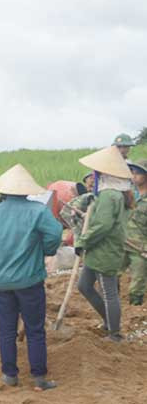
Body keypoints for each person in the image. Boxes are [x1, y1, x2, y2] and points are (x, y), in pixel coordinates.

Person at [0, 164, 63, 391]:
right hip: (29, 280)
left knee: (6, 329)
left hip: (0, 279)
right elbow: (55, 233)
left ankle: (9, 375)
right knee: (35, 329)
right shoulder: (37, 211)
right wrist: (45, 250)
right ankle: (39, 378)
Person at [75, 146, 134, 342]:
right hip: (99, 249)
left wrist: (82, 241)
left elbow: (103, 225)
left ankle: (114, 333)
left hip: (105, 249)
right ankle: (109, 321)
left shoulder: (110, 195)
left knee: (109, 292)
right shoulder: (116, 192)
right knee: (84, 285)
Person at [123, 159, 147, 305]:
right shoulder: (129, 195)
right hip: (123, 242)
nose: (134, 175)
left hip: (141, 247)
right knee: (112, 275)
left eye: (138, 173)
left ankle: (135, 308)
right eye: (132, 172)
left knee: (138, 281)